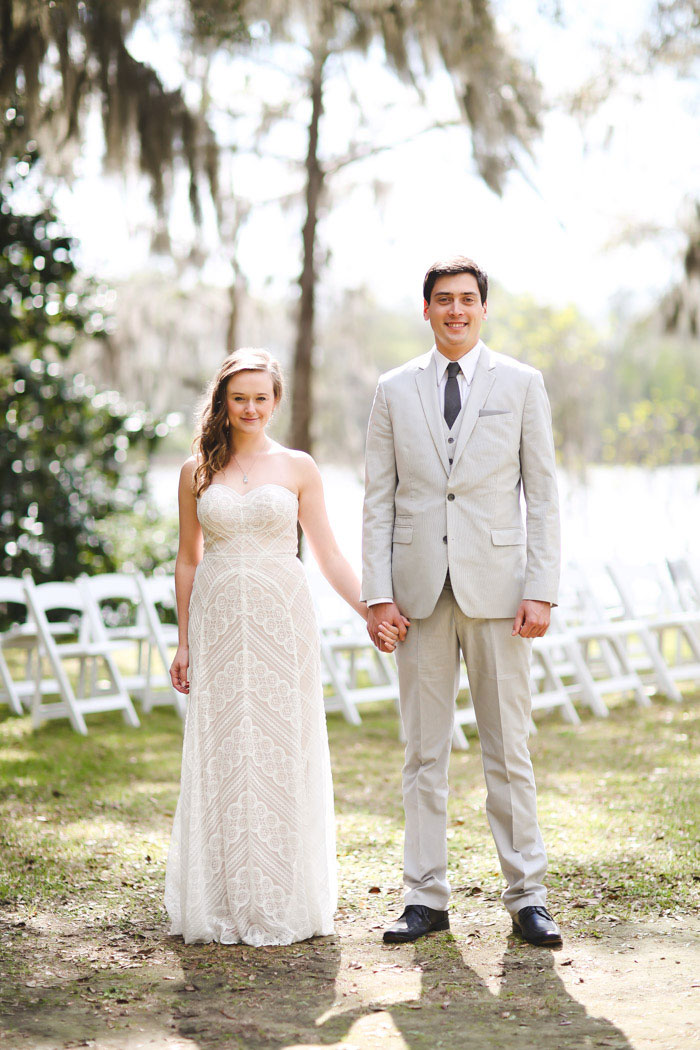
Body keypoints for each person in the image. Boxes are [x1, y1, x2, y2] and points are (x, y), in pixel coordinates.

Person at [165, 348, 398, 946]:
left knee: (278, 746)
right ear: (223, 400)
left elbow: (327, 554)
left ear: (275, 402)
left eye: (260, 398)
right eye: (238, 397)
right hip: (217, 621)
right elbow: (188, 559)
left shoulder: (299, 467)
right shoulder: (196, 470)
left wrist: (372, 608)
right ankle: (220, 897)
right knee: (224, 749)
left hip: (280, 622)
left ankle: (282, 893)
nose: (249, 408)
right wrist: (184, 640)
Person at [362, 256, 563, 948]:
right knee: (423, 752)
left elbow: (544, 496)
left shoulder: (523, 383)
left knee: (509, 749)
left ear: (483, 308)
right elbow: (377, 502)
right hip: (416, 594)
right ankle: (425, 898)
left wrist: (541, 588)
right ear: (426, 310)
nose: (455, 310)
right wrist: (376, 596)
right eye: (443, 300)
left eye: (467, 300)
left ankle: (527, 896)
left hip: (501, 591)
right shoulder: (393, 390)